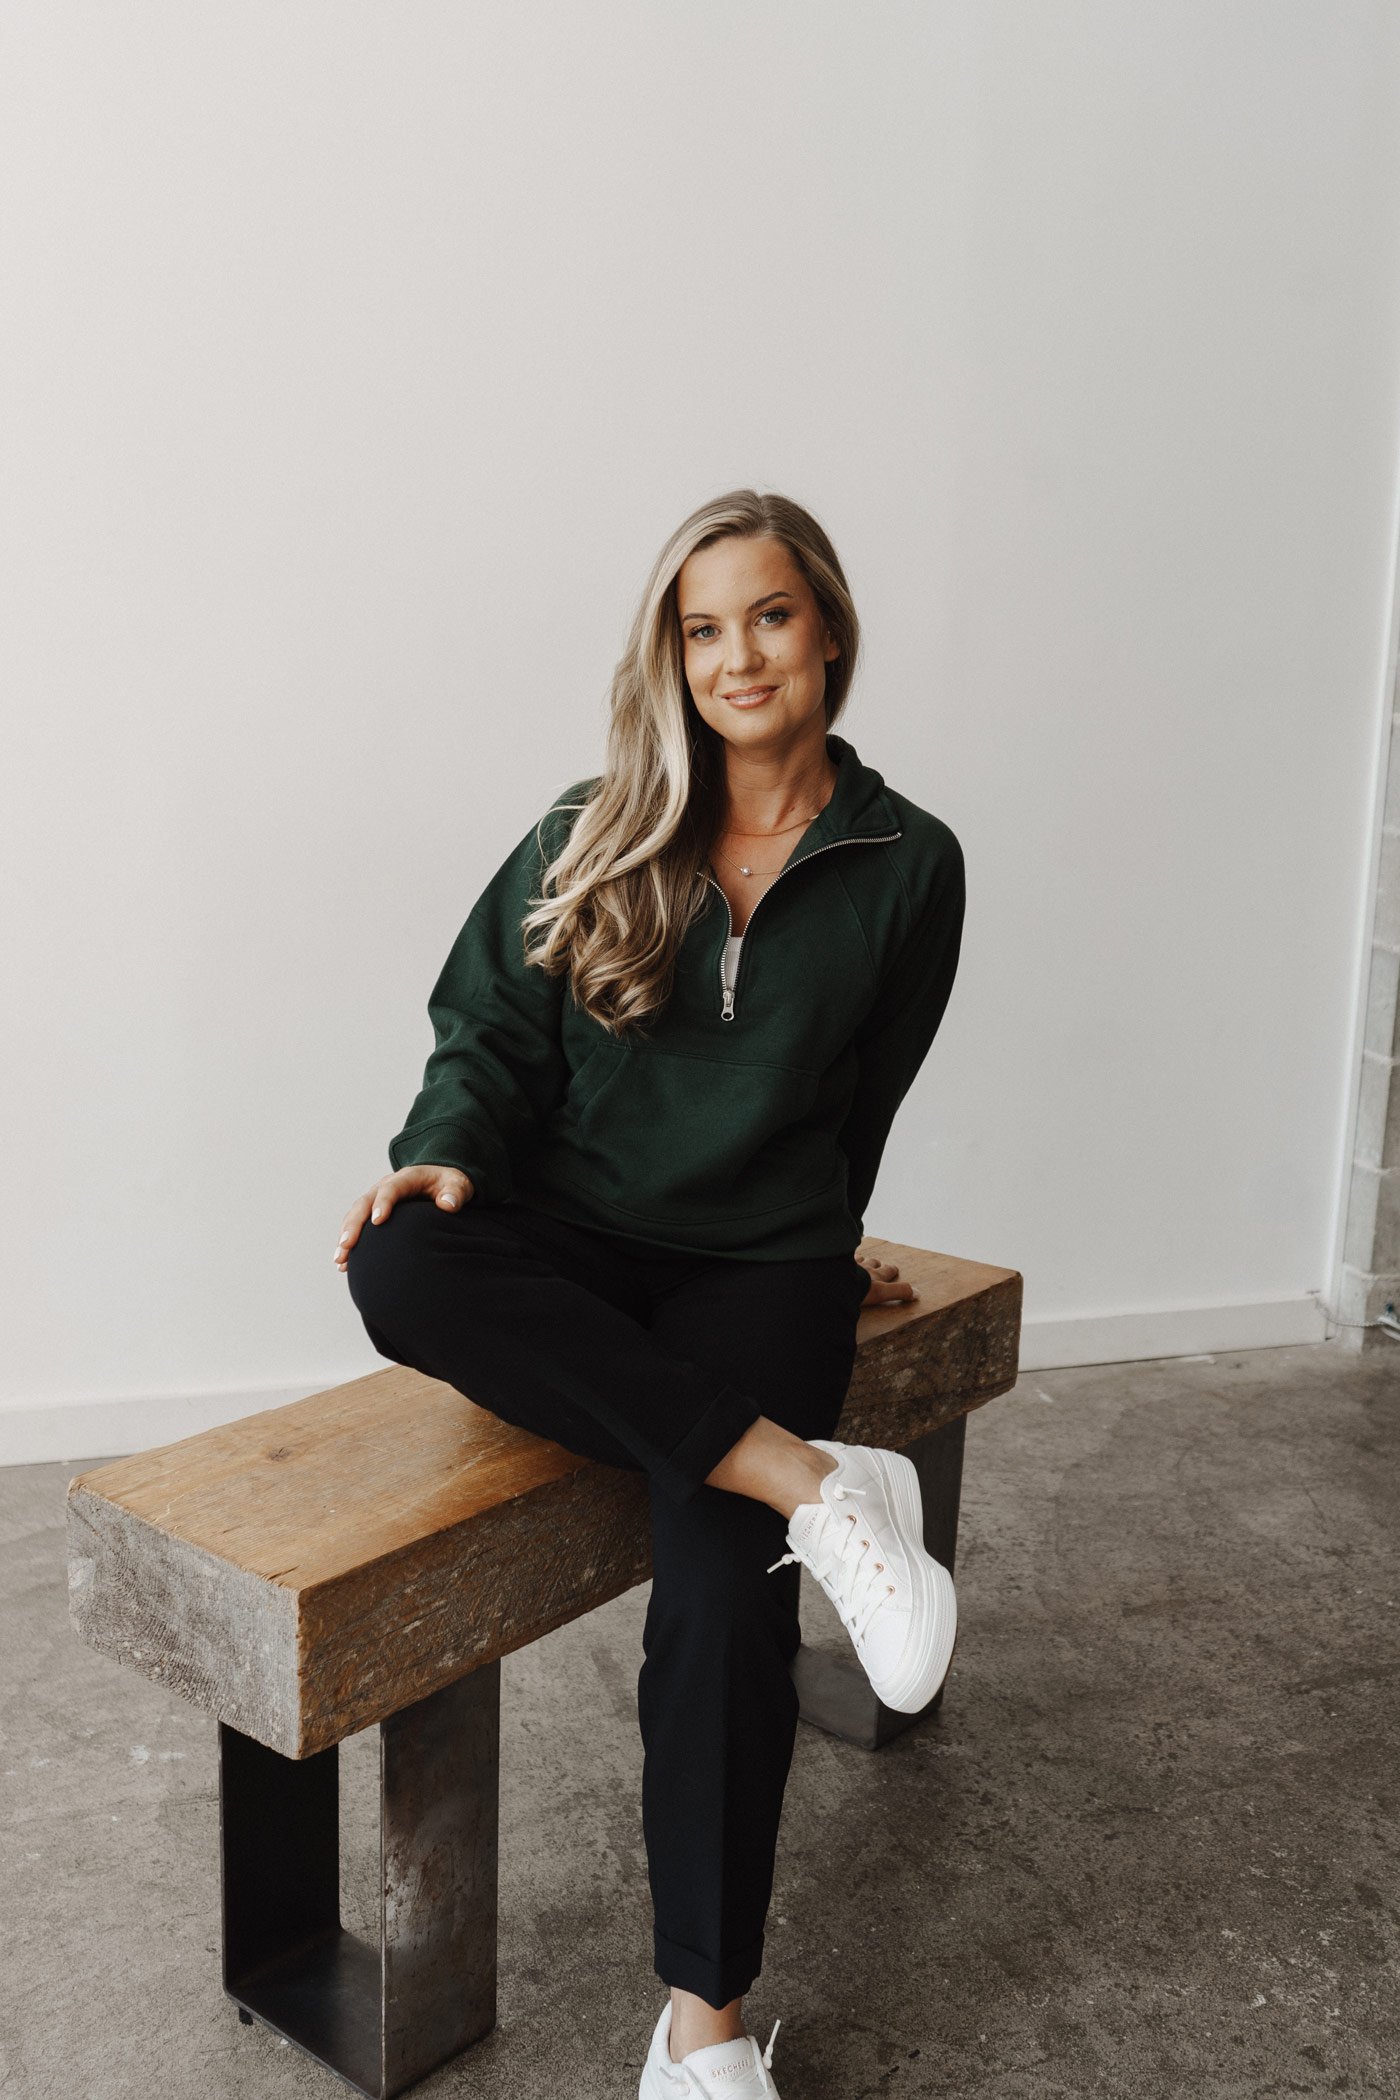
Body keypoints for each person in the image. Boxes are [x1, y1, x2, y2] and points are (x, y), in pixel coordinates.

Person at [337, 488, 966, 2100]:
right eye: (702, 628)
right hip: (571, 1237)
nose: (737, 656)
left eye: (768, 615)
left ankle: (701, 2029)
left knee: (715, 1590)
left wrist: (832, 1232)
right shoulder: (592, 826)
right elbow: (482, 1032)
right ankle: (816, 1483)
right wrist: (447, 1158)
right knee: (399, 1257)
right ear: (670, 658)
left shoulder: (912, 865)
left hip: (760, 1270)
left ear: (826, 625)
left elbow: (862, 1095)